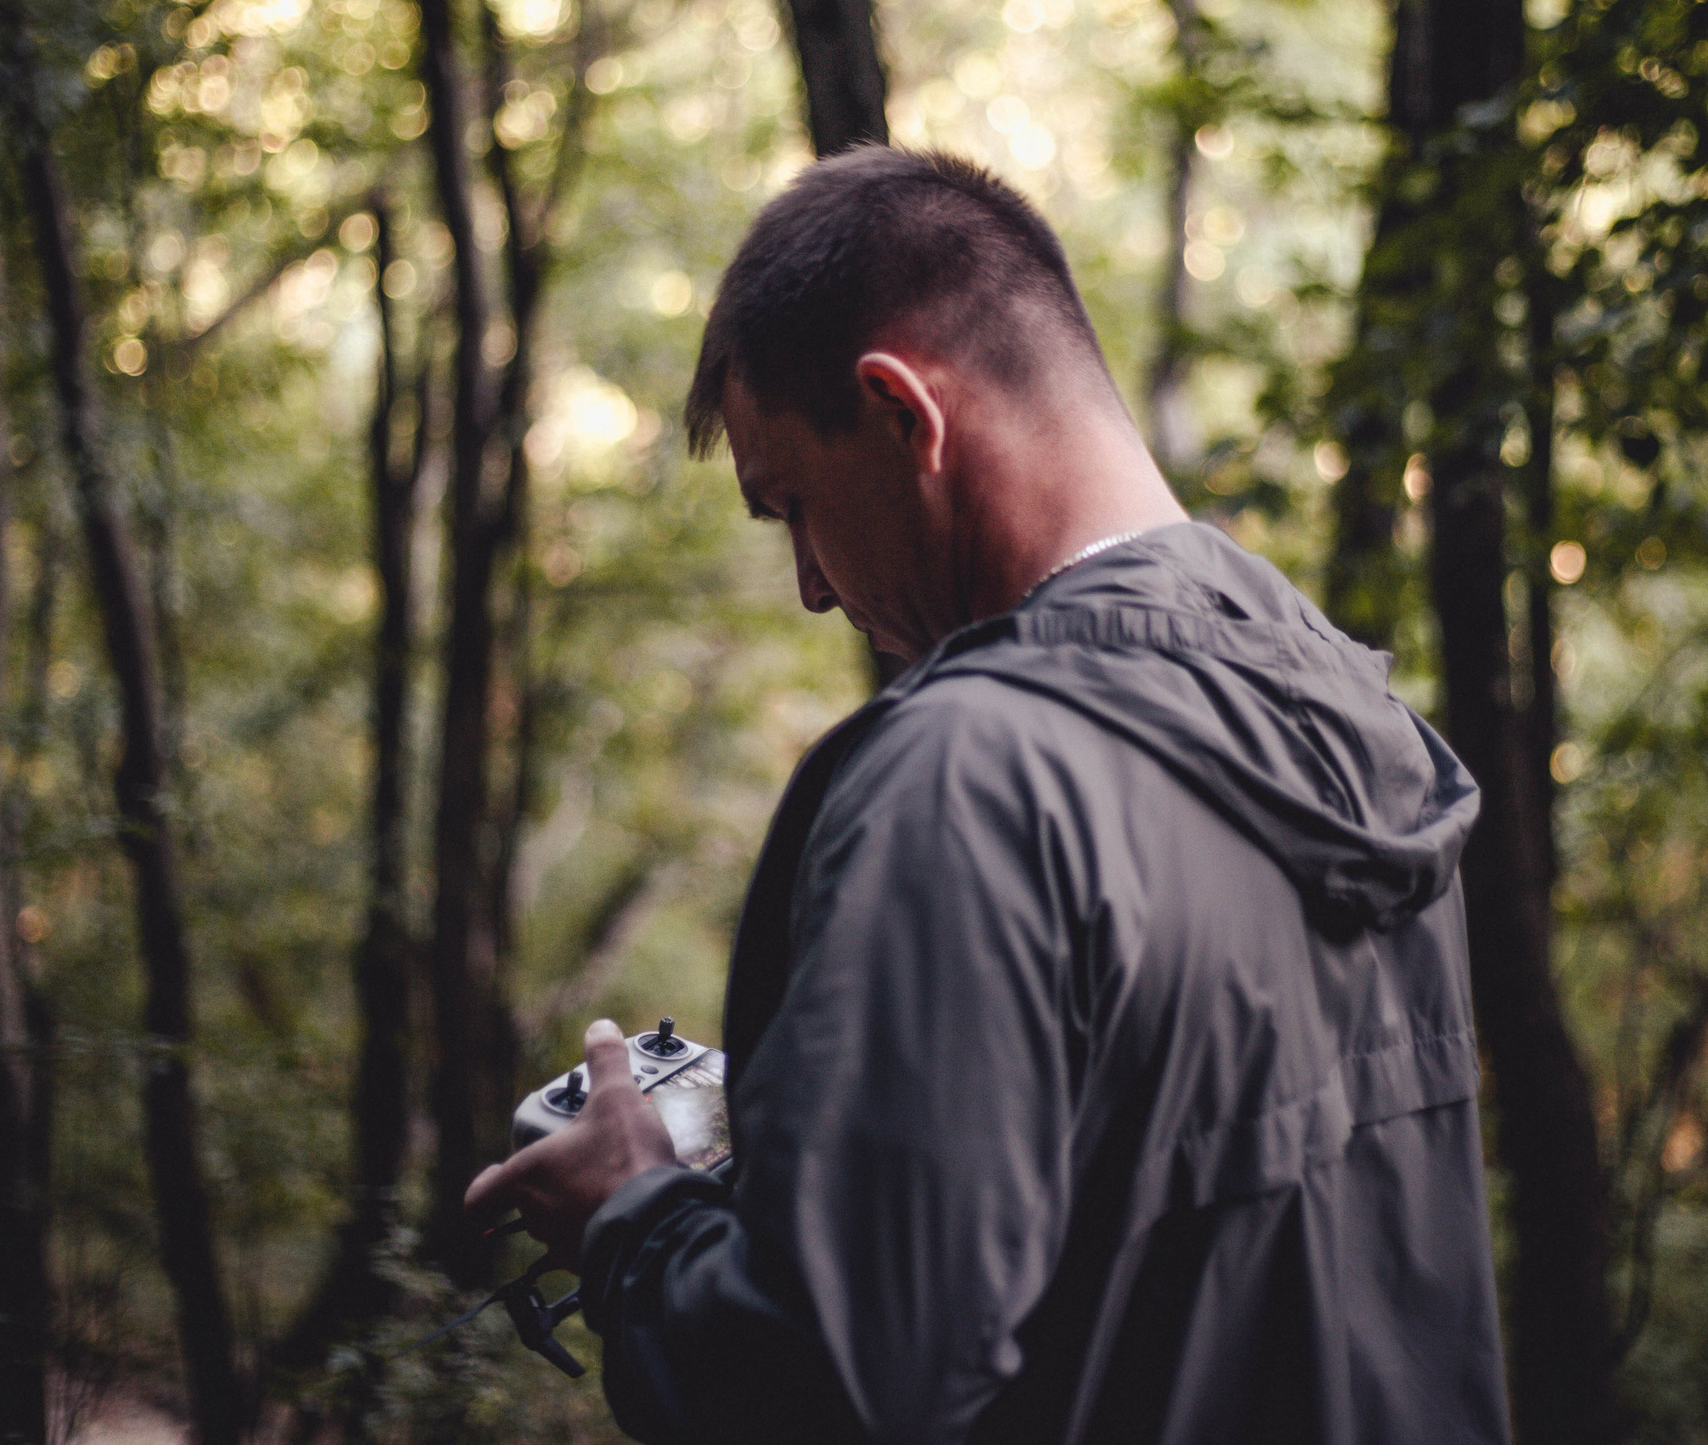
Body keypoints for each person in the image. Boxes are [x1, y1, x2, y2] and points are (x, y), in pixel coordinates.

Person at [464, 146, 1509, 1445]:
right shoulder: (1354, 716)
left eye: (791, 504)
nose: (809, 581)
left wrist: (634, 1220)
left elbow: (843, 1392)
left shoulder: (968, 782)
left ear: (906, 415)